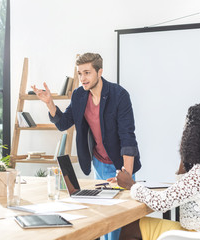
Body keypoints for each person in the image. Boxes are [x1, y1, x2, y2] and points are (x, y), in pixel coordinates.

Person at [32, 52, 141, 239]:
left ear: (100, 72)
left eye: (87, 73)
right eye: (80, 73)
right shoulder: (79, 95)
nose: (83, 78)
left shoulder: (119, 95)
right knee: (101, 216)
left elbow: (127, 136)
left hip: (120, 164)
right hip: (98, 162)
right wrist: (50, 103)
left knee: (117, 220)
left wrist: (127, 175)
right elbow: (64, 123)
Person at [117, 102, 200, 240]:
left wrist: (130, 184)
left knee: (131, 227)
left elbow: (161, 203)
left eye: (188, 127)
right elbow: (186, 188)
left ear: (195, 135)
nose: (185, 129)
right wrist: (187, 154)